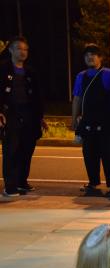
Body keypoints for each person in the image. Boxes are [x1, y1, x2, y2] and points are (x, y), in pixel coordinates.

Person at [71, 43, 110, 200]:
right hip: (88, 121)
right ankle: (93, 184)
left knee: (109, 155)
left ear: (100, 57)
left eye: (93, 54)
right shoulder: (81, 76)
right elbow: (77, 98)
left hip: (107, 121)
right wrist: (74, 118)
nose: (90, 57)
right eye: (87, 54)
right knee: (89, 154)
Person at [0, 36, 46, 197]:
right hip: (10, 114)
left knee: (27, 149)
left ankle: (21, 182)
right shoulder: (3, 69)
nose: (22, 52)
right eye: (19, 48)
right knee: (11, 150)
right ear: (11, 50)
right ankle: (10, 186)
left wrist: (40, 117)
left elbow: (38, 96)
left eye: (25, 49)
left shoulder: (31, 72)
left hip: (29, 115)